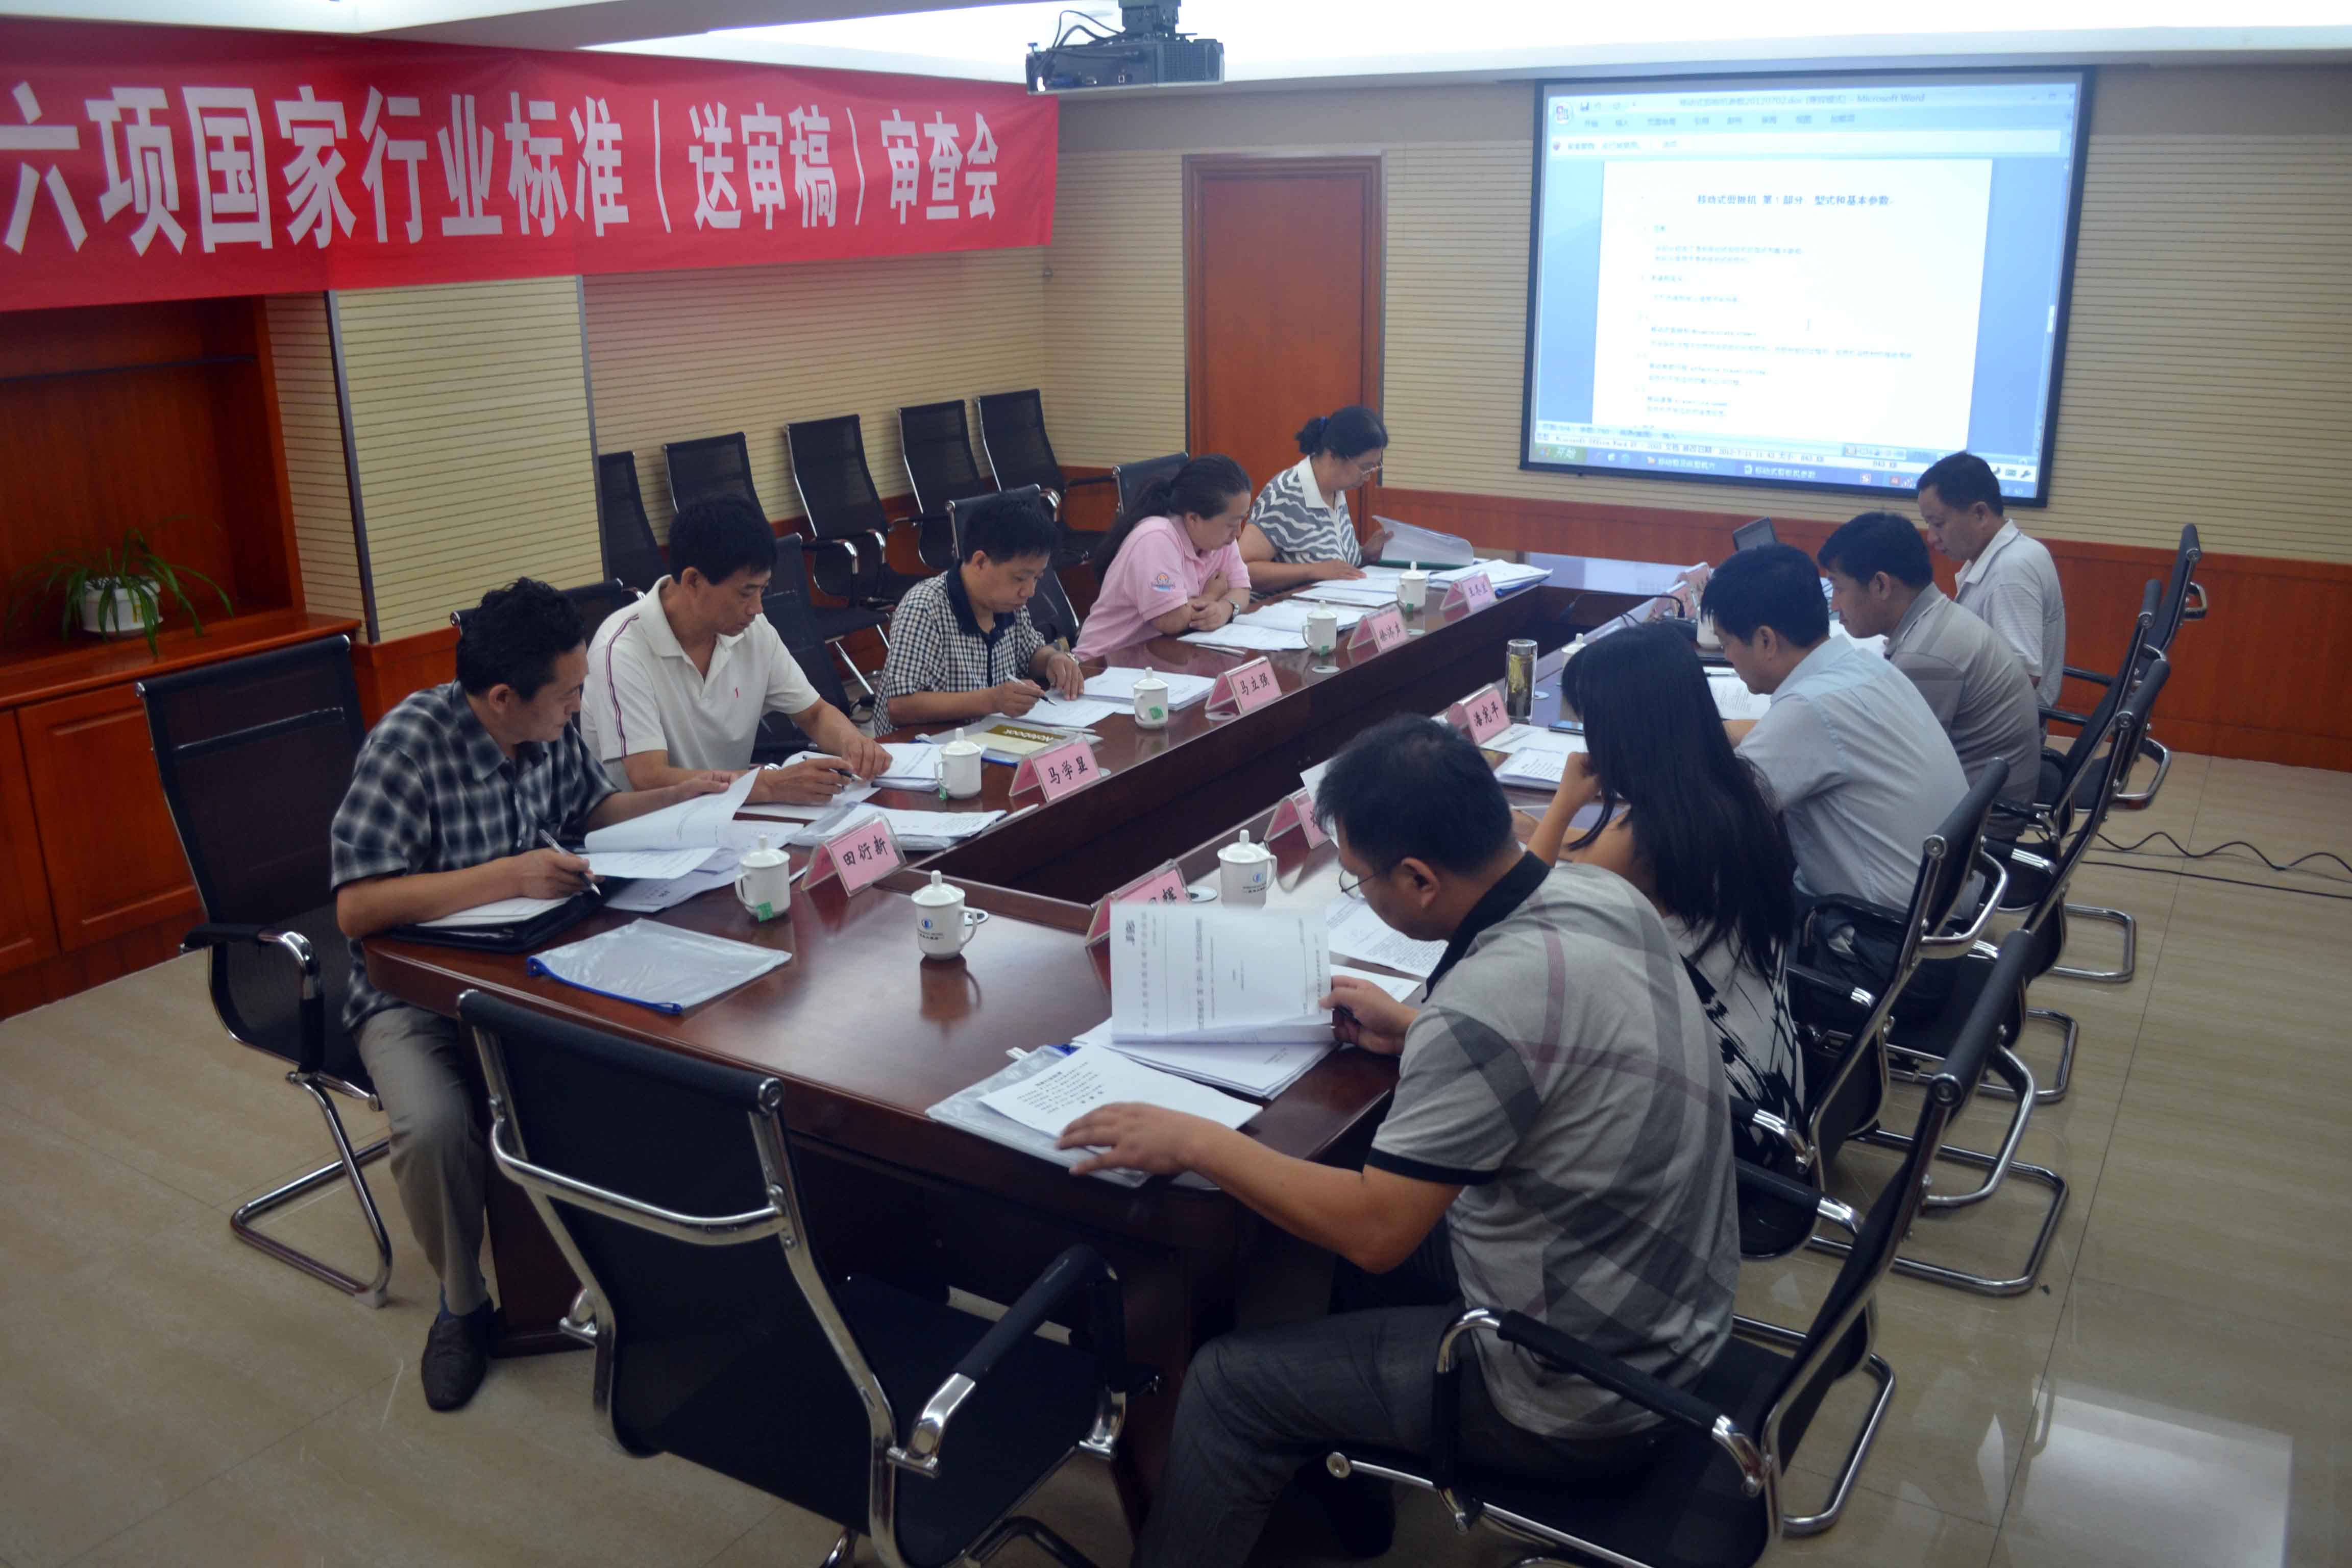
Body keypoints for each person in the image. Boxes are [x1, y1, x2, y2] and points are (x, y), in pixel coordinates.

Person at [1057, 715, 1736, 1568]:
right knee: (1330, 1257)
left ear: (1418, 878)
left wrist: (1197, 1140)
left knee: (1229, 1384)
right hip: (1671, 1303)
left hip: (1584, 1391)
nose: (1361, 893)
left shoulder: (1484, 1003)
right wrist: (1417, 1029)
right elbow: (1563, 1046)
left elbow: (1378, 1229)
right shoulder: (1597, 894)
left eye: (1360, 879)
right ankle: (1346, 1508)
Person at [331, 580, 734, 1412]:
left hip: (538, 967)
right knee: (433, 1127)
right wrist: (506, 876)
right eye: (568, 695)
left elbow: (595, 809)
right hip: (415, 993)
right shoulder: (406, 746)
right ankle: (463, 1304)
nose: (580, 706)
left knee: (658, 1051)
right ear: (502, 698)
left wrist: (676, 798)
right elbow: (357, 908)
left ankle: (641, 1269)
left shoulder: (547, 726)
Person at [1527, 624, 1804, 1160]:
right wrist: (1540, 834)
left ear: (1622, 732)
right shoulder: (1735, 787)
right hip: (1774, 1071)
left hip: (1714, 1113)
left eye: (1591, 726)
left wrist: (1561, 807)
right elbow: (1605, 863)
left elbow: (1520, 923)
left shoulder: (1636, 843)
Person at [1701, 544, 1966, 911]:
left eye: (1726, 643)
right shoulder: (1866, 668)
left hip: (1873, 929)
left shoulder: (1810, 709)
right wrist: (1704, 736)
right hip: (1940, 902)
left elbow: (1711, 820)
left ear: (1765, 640)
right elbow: (1777, 739)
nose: (1727, 657)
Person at [580, 496, 888, 805]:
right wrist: (769, 785)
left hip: (731, 812)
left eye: (763, 589)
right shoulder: (621, 650)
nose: (757, 608)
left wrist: (855, 743)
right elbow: (649, 777)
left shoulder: (752, 630)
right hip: (653, 824)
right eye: (746, 593)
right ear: (693, 581)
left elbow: (814, 713)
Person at [1818, 511, 2040, 809]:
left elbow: (1883, 768)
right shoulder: (1938, 620)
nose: (1834, 605)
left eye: (1839, 588)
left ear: (1881, 585)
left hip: (1977, 822)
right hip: (1979, 798)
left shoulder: (1926, 656)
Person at [875, 488, 1086, 731]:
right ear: (980, 562)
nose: (1029, 592)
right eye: (1020, 578)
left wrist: (1053, 660)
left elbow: (1031, 655)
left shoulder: (1008, 604)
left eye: (1037, 578)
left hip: (990, 736)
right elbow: (900, 706)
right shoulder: (924, 608)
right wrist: (993, 700)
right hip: (932, 744)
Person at [1916, 450, 2068, 707]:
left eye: (1938, 523)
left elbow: (2023, 676)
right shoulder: (2014, 551)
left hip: (1997, 727)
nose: (1931, 538)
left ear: (1980, 514)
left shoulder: (2010, 571)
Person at [1072, 455, 1254, 660]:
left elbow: (1242, 589)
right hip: (1102, 663)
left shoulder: (1220, 539)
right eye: (1232, 524)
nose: (1238, 533)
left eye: (1242, 520)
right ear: (1194, 518)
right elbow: (1171, 620)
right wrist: (1211, 597)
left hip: (1161, 657)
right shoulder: (1157, 539)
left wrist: (1225, 608)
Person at [1239, 406, 1387, 593]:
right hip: (1282, 607)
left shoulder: (1336, 490)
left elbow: (1334, 565)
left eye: (1375, 467)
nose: (1368, 476)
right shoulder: (1284, 495)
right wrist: (1313, 571)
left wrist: (1364, 555)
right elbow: (1243, 570)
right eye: (1365, 467)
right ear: (1334, 455)